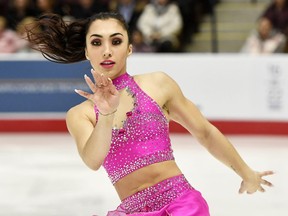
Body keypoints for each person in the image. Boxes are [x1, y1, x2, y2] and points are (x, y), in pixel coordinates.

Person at [26, 12, 274, 215]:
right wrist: (107, 113)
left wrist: (246, 173)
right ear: (86, 51)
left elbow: (205, 132)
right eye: (96, 42)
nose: (107, 51)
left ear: (130, 48)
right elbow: (92, 161)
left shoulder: (158, 84)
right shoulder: (80, 113)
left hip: (182, 205)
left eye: (116, 41)